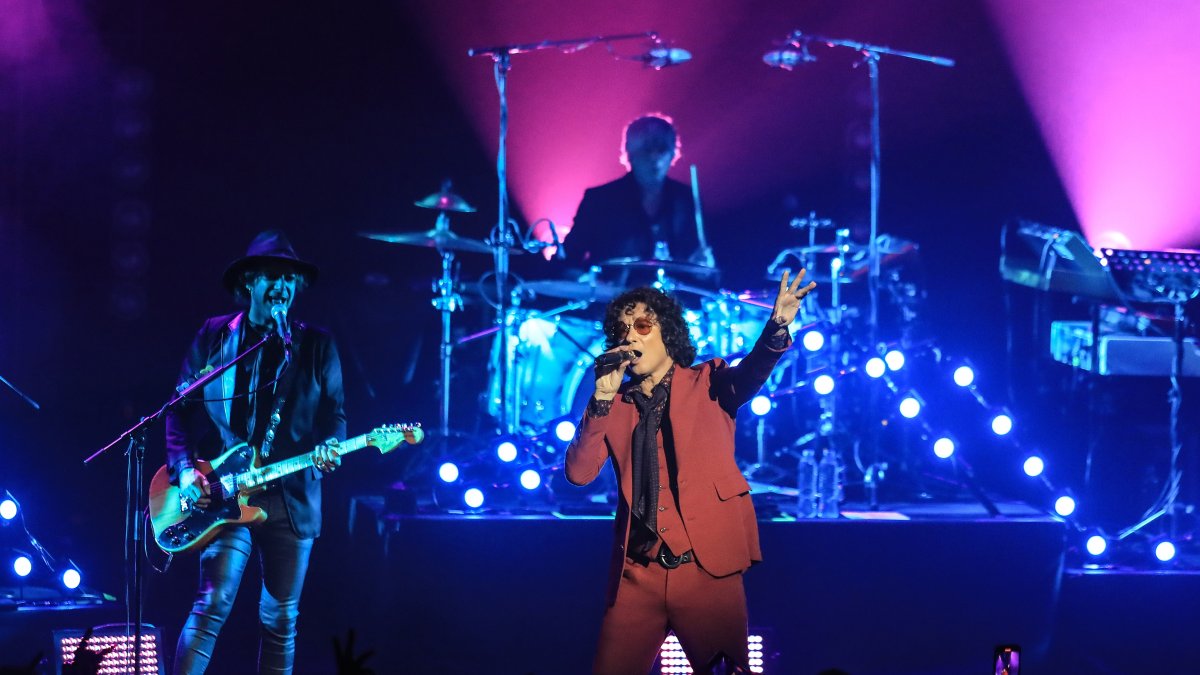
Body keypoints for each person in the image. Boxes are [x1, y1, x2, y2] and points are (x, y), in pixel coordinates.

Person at [566, 270, 816, 674]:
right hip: (637, 577)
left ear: (668, 333)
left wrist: (776, 329)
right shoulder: (613, 405)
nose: (630, 336)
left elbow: (752, 372)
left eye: (642, 325)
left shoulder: (708, 381)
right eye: (622, 330)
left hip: (705, 571)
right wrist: (600, 400)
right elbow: (578, 474)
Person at [166, 230, 346, 674]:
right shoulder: (214, 337)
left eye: (290, 278)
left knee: (280, 620)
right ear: (250, 283)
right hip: (227, 492)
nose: (282, 286)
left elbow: (335, 417)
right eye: (272, 276)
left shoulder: (317, 346)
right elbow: (177, 410)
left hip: (291, 498)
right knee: (211, 604)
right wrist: (185, 470)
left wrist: (330, 447)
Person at [566, 113, 714, 268]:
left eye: (662, 148)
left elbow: (704, 269)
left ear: (672, 154)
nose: (654, 157)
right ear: (630, 154)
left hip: (669, 291)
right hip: (614, 291)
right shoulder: (599, 200)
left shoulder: (687, 199)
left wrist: (702, 268)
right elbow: (569, 259)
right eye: (647, 149)